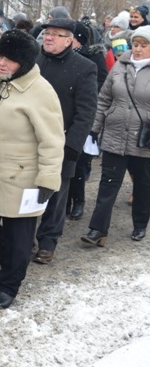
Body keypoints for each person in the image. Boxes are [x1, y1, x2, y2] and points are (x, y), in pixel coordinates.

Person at [0, 29, 65, 309]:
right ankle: (12, 267)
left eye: (9, 59)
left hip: (23, 179)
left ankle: (9, 285)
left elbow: (52, 141)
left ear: (25, 63)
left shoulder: (41, 91)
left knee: (19, 238)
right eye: (0, 56)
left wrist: (48, 180)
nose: (1, 63)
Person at [34, 18, 98, 265]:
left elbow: (86, 111)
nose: (48, 37)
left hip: (62, 142)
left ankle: (48, 243)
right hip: (30, 141)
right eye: (47, 33)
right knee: (29, 192)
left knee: (57, 195)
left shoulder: (84, 67)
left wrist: (73, 145)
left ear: (69, 40)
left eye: (56, 34)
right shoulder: (34, 61)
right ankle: (24, 238)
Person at [81, 26, 150, 246]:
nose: (138, 49)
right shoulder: (120, 66)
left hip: (144, 140)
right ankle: (97, 230)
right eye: (136, 44)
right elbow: (104, 99)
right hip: (115, 135)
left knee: (143, 185)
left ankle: (140, 224)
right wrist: (94, 128)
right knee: (108, 185)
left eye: (144, 45)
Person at [66, 21, 108, 221]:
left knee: (79, 163)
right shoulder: (62, 57)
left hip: (84, 114)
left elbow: (102, 82)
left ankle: (79, 200)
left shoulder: (93, 57)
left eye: (70, 37)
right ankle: (64, 203)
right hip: (64, 115)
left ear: (78, 39)